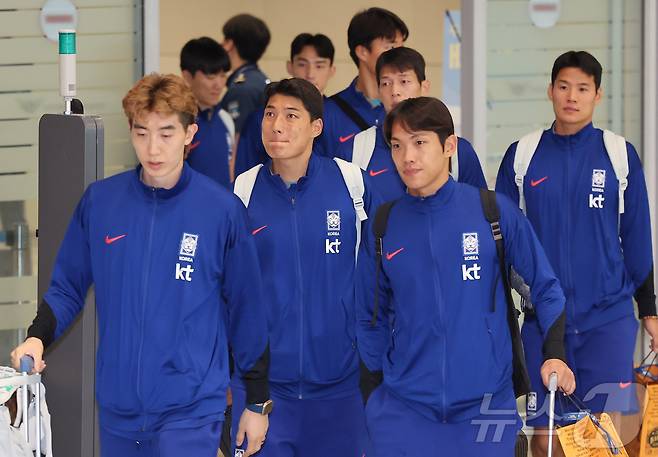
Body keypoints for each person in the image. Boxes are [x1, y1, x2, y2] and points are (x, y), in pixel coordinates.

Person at [10, 74, 271, 457]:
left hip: (192, 409)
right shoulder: (101, 203)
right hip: (119, 410)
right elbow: (67, 286)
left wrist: (256, 402)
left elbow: (247, 308)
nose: (153, 148)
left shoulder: (220, 211)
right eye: (141, 133)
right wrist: (37, 335)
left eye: (166, 133)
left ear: (189, 133)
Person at [357, 97, 575, 456]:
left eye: (419, 142)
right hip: (404, 410)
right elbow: (368, 314)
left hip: (485, 407)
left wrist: (554, 353)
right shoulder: (385, 223)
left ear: (449, 146)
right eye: (397, 146)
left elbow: (546, 287)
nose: (407, 156)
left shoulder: (491, 212)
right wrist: (378, 391)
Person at [496, 50, 657, 456]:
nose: (572, 96)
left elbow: (637, 237)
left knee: (607, 436)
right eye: (564, 86)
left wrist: (650, 310)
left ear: (597, 95)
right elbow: (500, 240)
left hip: (608, 320)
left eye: (583, 88)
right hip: (544, 323)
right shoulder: (523, 156)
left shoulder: (618, 156)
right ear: (551, 90)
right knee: (547, 437)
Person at [230, 78, 380, 457]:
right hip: (266, 395)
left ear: (317, 126)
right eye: (270, 114)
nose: (277, 125)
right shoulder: (242, 193)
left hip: (342, 390)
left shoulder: (352, 185)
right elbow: (229, 296)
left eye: (291, 115)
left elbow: (382, 278)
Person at [335, 46, 487, 201]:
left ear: (424, 87)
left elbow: (478, 211)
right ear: (378, 91)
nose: (395, 91)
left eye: (404, 81)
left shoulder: (458, 152)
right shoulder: (355, 150)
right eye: (386, 83)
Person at [235, 33, 337, 176]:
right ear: (290, 66)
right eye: (302, 64)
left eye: (319, 65)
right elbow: (244, 174)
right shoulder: (259, 119)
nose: (310, 74)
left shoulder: (339, 117)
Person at [320, 7, 408, 157]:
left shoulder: (411, 111)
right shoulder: (328, 113)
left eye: (401, 48)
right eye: (390, 47)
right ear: (362, 52)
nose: (399, 56)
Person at [180, 37, 234, 188]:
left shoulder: (225, 119)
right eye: (210, 76)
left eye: (223, 75)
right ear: (188, 77)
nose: (218, 84)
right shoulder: (177, 122)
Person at [221, 14, 271, 137]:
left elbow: (236, 136)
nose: (221, 44)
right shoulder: (259, 80)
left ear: (230, 44)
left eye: (225, 40)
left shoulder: (243, 89)